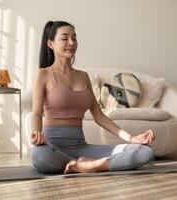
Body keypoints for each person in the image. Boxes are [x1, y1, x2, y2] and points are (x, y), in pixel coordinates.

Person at [31, 21, 155, 174]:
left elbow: (99, 116)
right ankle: (84, 164)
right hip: (52, 146)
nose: (71, 42)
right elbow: (36, 113)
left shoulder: (83, 76)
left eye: (74, 38)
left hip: (81, 147)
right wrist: (37, 135)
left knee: (144, 151)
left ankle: (88, 165)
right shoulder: (43, 74)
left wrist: (131, 139)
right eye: (64, 38)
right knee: (39, 155)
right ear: (51, 44)